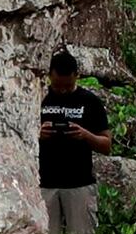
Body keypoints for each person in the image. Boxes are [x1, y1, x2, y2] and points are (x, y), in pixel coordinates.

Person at [36, 49, 112, 194]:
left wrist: (85, 135)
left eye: (68, 86)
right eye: (57, 86)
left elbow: (106, 146)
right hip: (43, 184)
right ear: (49, 76)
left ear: (77, 76)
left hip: (79, 185)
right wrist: (37, 134)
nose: (63, 91)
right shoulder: (38, 97)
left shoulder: (90, 101)